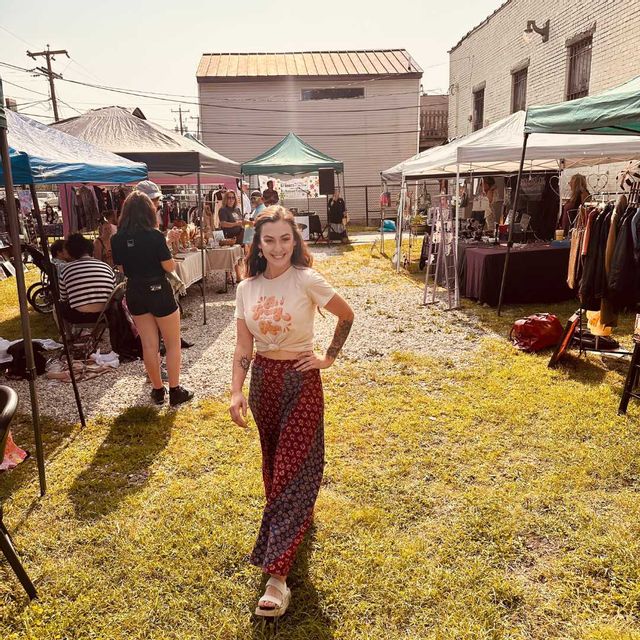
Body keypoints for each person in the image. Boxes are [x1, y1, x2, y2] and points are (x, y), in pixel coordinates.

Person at [229, 205, 354, 619]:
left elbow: (346, 315)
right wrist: (236, 392)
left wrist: (328, 358)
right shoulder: (246, 288)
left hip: (301, 380)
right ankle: (297, 516)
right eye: (270, 240)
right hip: (264, 381)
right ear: (258, 244)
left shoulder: (307, 280)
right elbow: (243, 348)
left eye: (286, 239)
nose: (278, 247)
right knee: (273, 466)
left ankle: (276, 579)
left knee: (292, 469)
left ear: (294, 241)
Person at [111, 192, 193, 407]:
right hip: (158, 289)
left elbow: (121, 268)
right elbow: (168, 266)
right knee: (172, 343)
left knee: (149, 345)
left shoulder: (117, 238)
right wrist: (168, 245)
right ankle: (175, 390)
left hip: (135, 290)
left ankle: (157, 390)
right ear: (149, 212)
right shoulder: (154, 235)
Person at [58, 233, 116, 324]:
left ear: (70, 252)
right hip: (106, 315)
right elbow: (114, 293)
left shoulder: (66, 270)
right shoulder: (106, 267)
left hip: (79, 316)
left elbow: (64, 298)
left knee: (58, 306)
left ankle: (68, 336)